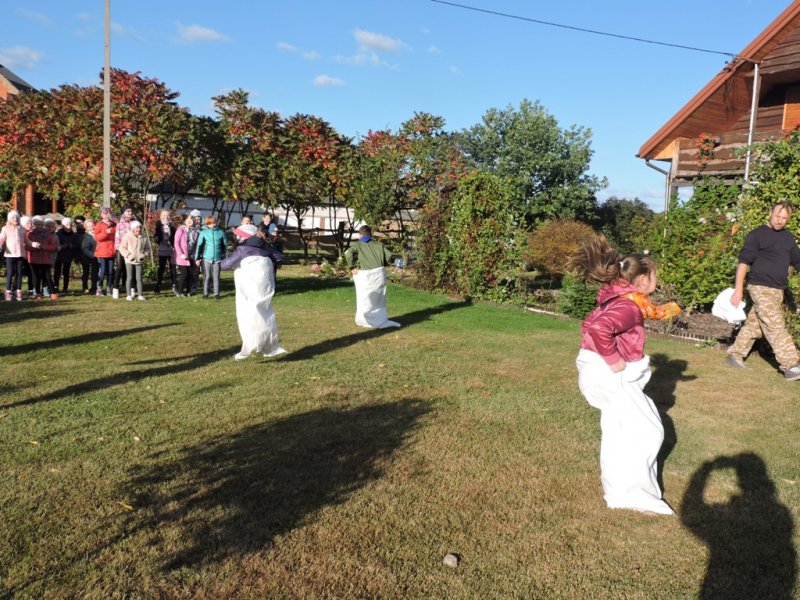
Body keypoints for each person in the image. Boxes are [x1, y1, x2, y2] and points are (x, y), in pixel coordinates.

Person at [570, 236, 679, 516]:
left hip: (598, 371)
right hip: (607, 373)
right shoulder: (629, 307)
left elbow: (592, 324)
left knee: (624, 428)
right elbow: (598, 329)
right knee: (647, 431)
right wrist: (614, 359)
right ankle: (631, 494)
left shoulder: (622, 299)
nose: (657, 279)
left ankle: (623, 491)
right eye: (654, 275)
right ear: (642, 280)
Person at [726, 201, 800, 381]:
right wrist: (738, 290)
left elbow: (798, 262)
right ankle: (791, 365)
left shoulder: (788, 239)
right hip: (760, 287)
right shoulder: (757, 235)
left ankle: (734, 355)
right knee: (775, 325)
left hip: (777, 291)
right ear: (770, 213)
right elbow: (743, 263)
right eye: (777, 216)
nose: (780, 221)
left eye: (784, 218)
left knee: (755, 325)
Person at [220, 224, 286, 361]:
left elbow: (225, 265)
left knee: (248, 313)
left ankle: (251, 345)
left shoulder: (243, 249)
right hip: (264, 286)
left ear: (243, 236)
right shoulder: (265, 247)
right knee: (266, 312)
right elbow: (279, 257)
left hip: (249, 286)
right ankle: (270, 345)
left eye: (238, 235)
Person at [344, 225, 400, 328]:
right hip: (379, 274)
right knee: (379, 299)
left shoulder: (358, 244)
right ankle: (380, 319)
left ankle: (364, 319)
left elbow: (348, 254)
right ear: (371, 234)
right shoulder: (379, 244)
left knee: (365, 299)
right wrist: (384, 263)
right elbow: (389, 255)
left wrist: (352, 267)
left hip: (366, 276)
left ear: (360, 235)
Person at [195, 215, 227, 299]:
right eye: (210, 223)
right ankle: (205, 294)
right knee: (207, 276)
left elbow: (225, 245)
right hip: (206, 258)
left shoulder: (221, 232)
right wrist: (197, 258)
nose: (212, 225)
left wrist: (224, 255)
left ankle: (217, 293)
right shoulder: (203, 233)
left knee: (216, 276)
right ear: (207, 224)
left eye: (214, 223)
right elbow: (199, 245)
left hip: (217, 258)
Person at [26, 216, 58, 299]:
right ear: (34, 224)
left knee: (47, 276)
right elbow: (26, 246)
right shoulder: (30, 233)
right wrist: (35, 247)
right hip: (34, 258)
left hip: (45, 258)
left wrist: (45, 247)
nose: (39, 226)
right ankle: (37, 293)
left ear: (43, 224)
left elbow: (53, 246)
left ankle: (53, 292)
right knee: (36, 276)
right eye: (37, 224)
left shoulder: (47, 234)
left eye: (40, 224)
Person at [119, 220, 150, 301]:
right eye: (137, 227)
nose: (138, 229)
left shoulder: (144, 237)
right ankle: (129, 295)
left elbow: (147, 248)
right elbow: (122, 248)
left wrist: (144, 255)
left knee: (139, 278)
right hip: (129, 260)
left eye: (139, 227)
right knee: (129, 277)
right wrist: (128, 255)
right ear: (133, 228)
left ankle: (140, 295)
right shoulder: (127, 236)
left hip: (139, 260)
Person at [0, 210, 26, 301]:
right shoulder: (5, 228)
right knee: (10, 273)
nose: (15, 219)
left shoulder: (22, 229)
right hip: (10, 255)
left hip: (20, 254)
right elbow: (1, 238)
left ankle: (18, 291)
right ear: (9, 219)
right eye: (13, 217)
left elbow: (26, 240)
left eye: (17, 217)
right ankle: (8, 292)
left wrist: (33, 244)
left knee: (19, 273)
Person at [112, 205, 135, 299]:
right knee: (120, 267)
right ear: (124, 212)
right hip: (121, 249)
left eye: (131, 211)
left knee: (131, 268)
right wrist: (119, 249)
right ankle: (115, 288)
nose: (130, 212)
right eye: (127, 211)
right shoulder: (120, 224)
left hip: (132, 249)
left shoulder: (134, 222)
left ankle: (131, 288)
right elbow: (117, 237)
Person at [94, 207, 116, 296]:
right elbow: (97, 237)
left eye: (107, 214)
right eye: (104, 214)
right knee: (102, 271)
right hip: (102, 251)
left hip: (111, 250)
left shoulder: (114, 224)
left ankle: (108, 288)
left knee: (111, 271)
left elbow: (116, 236)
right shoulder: (99, 224)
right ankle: (99, 288)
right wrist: (106, 232)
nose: (106, 216)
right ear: (101, 215)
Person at [153, 209, 176, 294]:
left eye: (167, 215)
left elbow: (174, 238)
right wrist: (157, 239)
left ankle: (174, 284)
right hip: (162, 249)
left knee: (172, 268)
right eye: (164, 215)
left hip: (171, 250)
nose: (166, 217)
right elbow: (156, 237)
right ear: (160, 216)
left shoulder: (172, 226)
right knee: (161, 268)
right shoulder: (158, 226)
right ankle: (158, 285)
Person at [54, 217, 79, 294]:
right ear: (63, 225)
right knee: (57, 272)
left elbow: (77, 245)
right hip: (59, 255)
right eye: (67, 225)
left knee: (66, 272)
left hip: (68, 255)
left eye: (70, 224)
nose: (69, 226)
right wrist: (62, 246)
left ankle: (65, 288)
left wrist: (72, 246)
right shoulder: (58, 234)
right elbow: (55, 244)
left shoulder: (74, 235)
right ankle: (56, 287)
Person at [173, 214, 193, 296]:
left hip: (189, 255)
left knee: (189, 274)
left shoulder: (190, 230)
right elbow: (176, 243)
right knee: (184, 273)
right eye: (188, 219)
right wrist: (181, 254)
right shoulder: (180, 230)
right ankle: (179, 291)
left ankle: (187, 290)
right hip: (181, 256)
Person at [80, 219, 99, 294]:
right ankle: (85, 287)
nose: (91, 227)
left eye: (92, 225)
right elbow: (85, 248)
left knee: (95, 273)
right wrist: (93, 255)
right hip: (87, 257)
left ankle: (94, 287)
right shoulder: (85, 236)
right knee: (86, 273)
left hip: (96, 258)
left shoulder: (97, 234)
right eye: (89, 226)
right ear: (86, 228)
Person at [188, 209, 203, 293]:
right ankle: (189, 286)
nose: (198, 221)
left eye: (199, 219)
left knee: (196, 271)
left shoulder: (202, 229)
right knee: (189, 271)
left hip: (197, 254)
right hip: (189, 253)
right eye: (196, 219)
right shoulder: (188, 228)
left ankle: (194, 286)